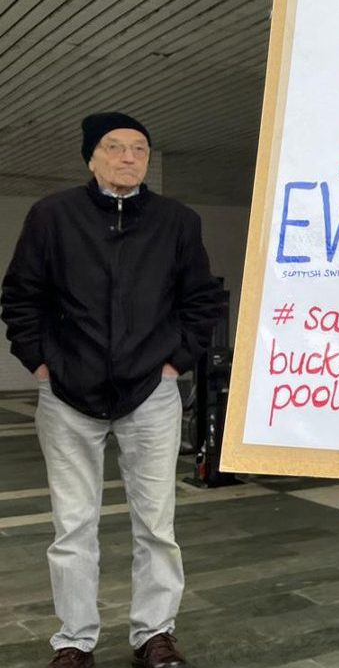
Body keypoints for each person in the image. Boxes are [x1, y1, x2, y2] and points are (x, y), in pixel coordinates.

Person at [1, 113, 225, 668]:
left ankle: (155, 635)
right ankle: (74, 641)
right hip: (67, 396)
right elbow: (21, 296)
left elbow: (202, 300)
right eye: (115, 147)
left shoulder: (177, 221)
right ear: (90, 157)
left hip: (151, 392)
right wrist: (40, 363)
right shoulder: (52, 216)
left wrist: (174, 364)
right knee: (72, 526)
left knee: (157, 523)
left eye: (140, 149)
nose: (129, 157)